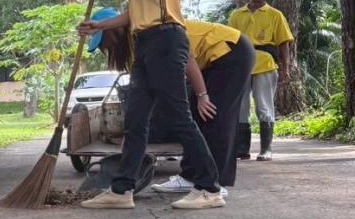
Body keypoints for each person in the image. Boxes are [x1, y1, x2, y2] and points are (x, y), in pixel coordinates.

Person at [76, 0, 223, 210]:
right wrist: (99, 24)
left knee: (178, 117)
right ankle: (122, 190)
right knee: (136, 120)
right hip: (145, 41)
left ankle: (210, 188)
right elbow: (134, 13)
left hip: (166, 37)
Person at [93, 12, 254, 196]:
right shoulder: (133, 48)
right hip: (208, 61)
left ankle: (216, 184)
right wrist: (135, 128)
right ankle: (190, 177)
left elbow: (188, 60)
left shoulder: (146, 32)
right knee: (194, 115)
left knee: (214, 116)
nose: (102, 49)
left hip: (231, 51)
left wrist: (202, 95)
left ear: (113, 31)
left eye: (101, 42)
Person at [228, 0, 294, 161]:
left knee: (264, 106)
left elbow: (283, 43)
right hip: (241, 65)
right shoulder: (236, 15)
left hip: (265, 63)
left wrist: (285, 67)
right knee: (241, 107)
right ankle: (242, 149)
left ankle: (266, 149)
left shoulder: (275, 15)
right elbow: (229, 41)